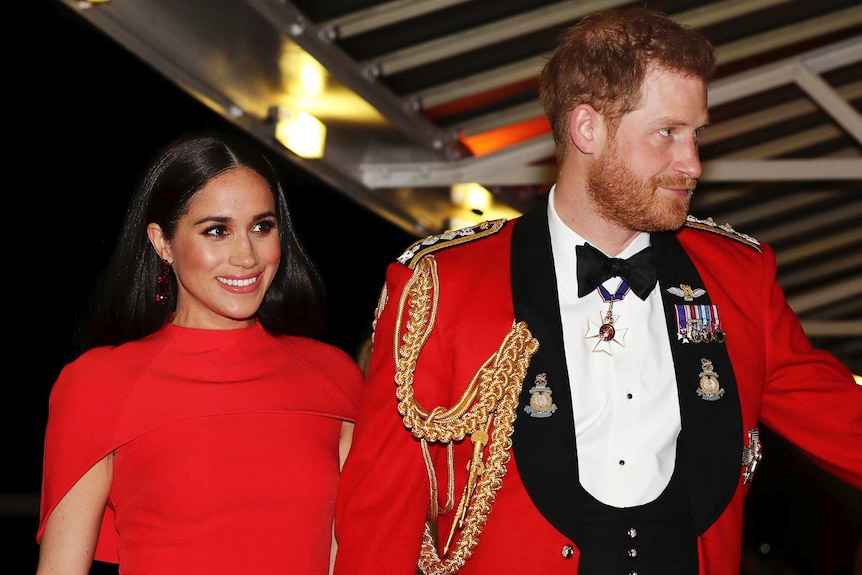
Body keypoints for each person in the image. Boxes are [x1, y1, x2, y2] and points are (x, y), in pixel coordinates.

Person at [333, 7, 862, 575]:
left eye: (696, 134)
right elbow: (379, 521)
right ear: (588, 128)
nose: (694, 163)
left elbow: (843, 422)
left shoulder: (737, 277)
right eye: (668, 133)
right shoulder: (445, 285)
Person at [36, 131, 365, 575]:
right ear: (162, 242)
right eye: (217, 230)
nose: (245, 255)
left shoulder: (333, 378)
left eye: (261, 227)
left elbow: (348, 557)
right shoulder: (98, 384)